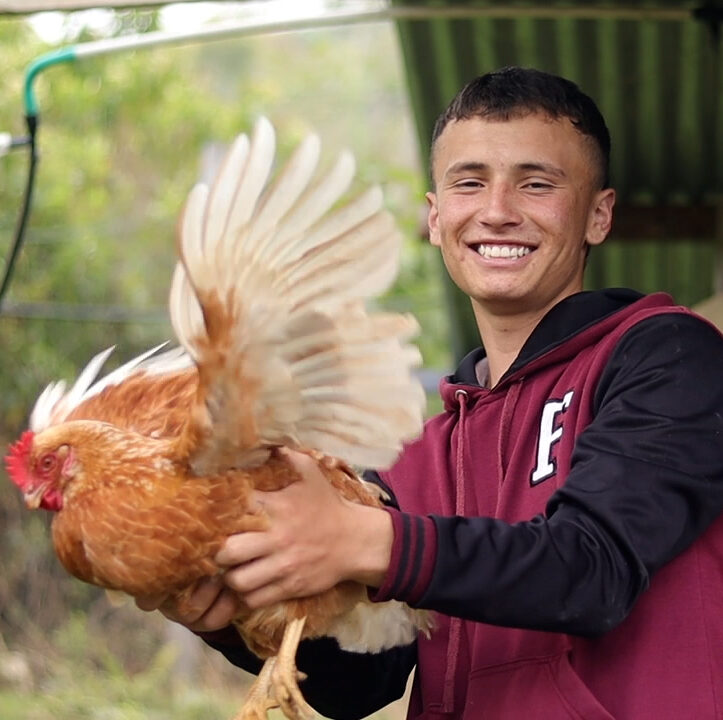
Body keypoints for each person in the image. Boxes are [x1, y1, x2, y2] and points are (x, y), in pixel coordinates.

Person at [138, 67, 723, 719]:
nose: (496, 210)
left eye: (535, 183)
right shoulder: (414, 454)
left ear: (597, 215)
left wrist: (367, 540)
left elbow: (593, 571)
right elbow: (367, 681)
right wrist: (230, 614)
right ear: (435, 215)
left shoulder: (667, 355)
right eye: (469, 182)